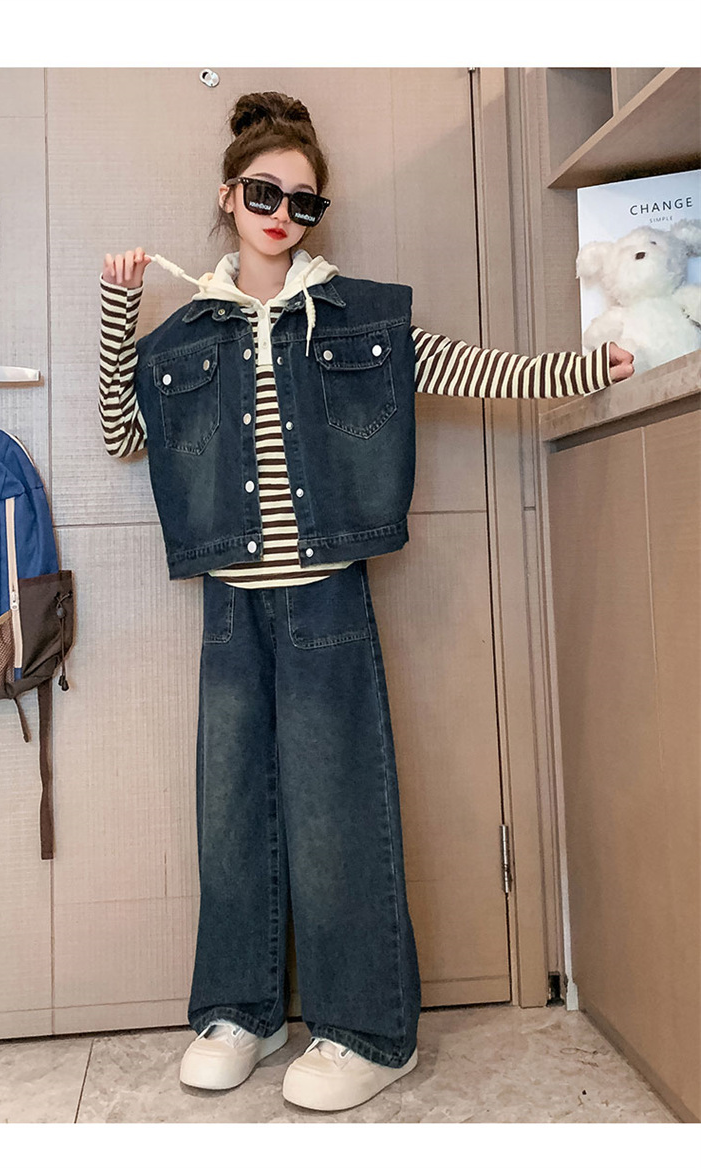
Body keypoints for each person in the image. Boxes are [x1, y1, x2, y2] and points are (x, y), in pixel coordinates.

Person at [99, 91, 634, 1113]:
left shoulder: (355, 315)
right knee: (231, 814)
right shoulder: (186, 331)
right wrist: (120, 310)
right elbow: (124, 436)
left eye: (304, 201)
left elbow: (471, 367)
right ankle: (241, 1011)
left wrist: (582, 369)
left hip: (325, 598)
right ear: (229, 195)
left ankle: (367, 1029)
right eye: (265, 193)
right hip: (229, 604)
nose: (282, 214)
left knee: (335, 811)